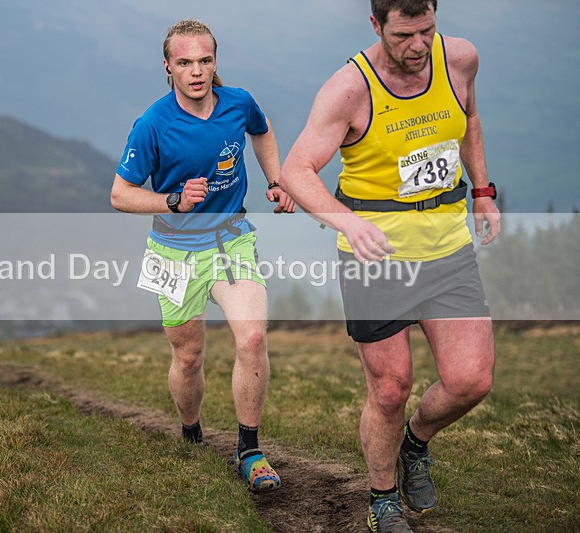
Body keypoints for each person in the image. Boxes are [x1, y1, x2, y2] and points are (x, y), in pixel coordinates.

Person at [280, 1, 500, 531]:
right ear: (376, 25)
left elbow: (468, 117)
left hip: (447, 246)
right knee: (389, 388)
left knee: (471, 380)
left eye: (427, 30)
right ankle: (382, 498)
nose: (419, 45)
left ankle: (415, 444)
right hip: (375, 256)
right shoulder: (349, 90)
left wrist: (483, 191)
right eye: (404, 34)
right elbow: (296, 170)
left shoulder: (460, 59)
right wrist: (347, 223)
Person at [110, 19, 295, 493]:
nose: (196, 71)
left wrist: (275, 180)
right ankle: (191, 432)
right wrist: (172, 200)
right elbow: (120, 195)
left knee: (252, 338)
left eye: (205, 61)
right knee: (188, 356)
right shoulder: (153, 124)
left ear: (216, 64)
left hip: (230, 239)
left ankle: (249, 449)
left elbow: (263, 130)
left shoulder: (238, 102)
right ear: (168, 67)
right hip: (171, 250)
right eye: (185, 63)